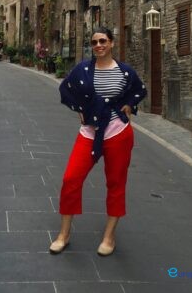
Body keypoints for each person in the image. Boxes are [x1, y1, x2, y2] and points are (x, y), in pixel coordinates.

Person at [50, 26, 147, 256]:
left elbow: (138, 90)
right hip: (90, 132)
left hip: (117, 132)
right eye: (94, 42)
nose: (98, 46)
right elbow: (66, 89)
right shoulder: (83, 69)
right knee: (71, 179)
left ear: (111, 43)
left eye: (103, 41)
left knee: (116, 183)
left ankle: (109, 236)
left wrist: (129, 105)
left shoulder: (124, 71)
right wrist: (79, 108)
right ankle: (64, 234)